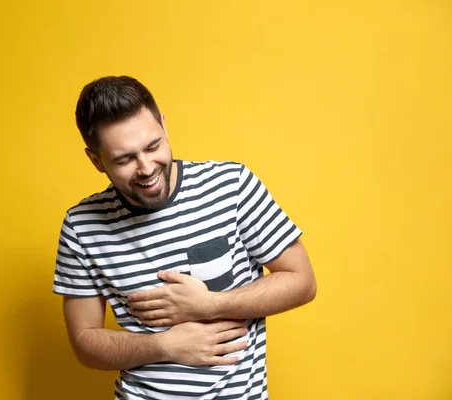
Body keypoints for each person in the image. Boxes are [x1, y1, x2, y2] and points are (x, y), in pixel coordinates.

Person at [53, 75, 317, 400]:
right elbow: (85, 344)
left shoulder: (231, 187)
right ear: (96, 160)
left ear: (164, 125)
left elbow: (302, 281)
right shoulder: (81, 226)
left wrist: (210, 305)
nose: (146, 167)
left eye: (153, 146)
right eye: (124, 159)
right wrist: (163, 346)